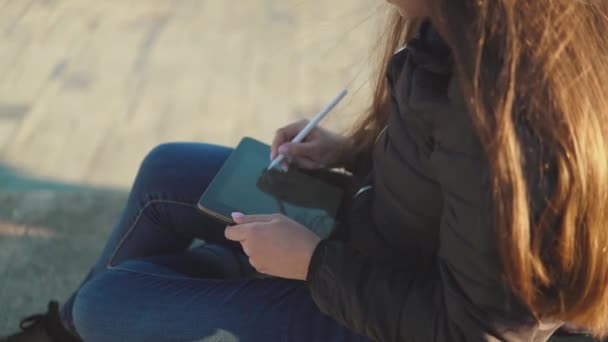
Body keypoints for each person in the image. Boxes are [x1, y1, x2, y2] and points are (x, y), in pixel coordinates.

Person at [4, 0, 608, 341]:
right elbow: (437, 172)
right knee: (168, 169)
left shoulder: (505, 115)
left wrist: (311, 265)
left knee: (107, 302)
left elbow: (482, 331)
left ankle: (219, 281)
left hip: (378, 317)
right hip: (375, 242)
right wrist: (348, 152)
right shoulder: (459, 31)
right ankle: (189, 293)